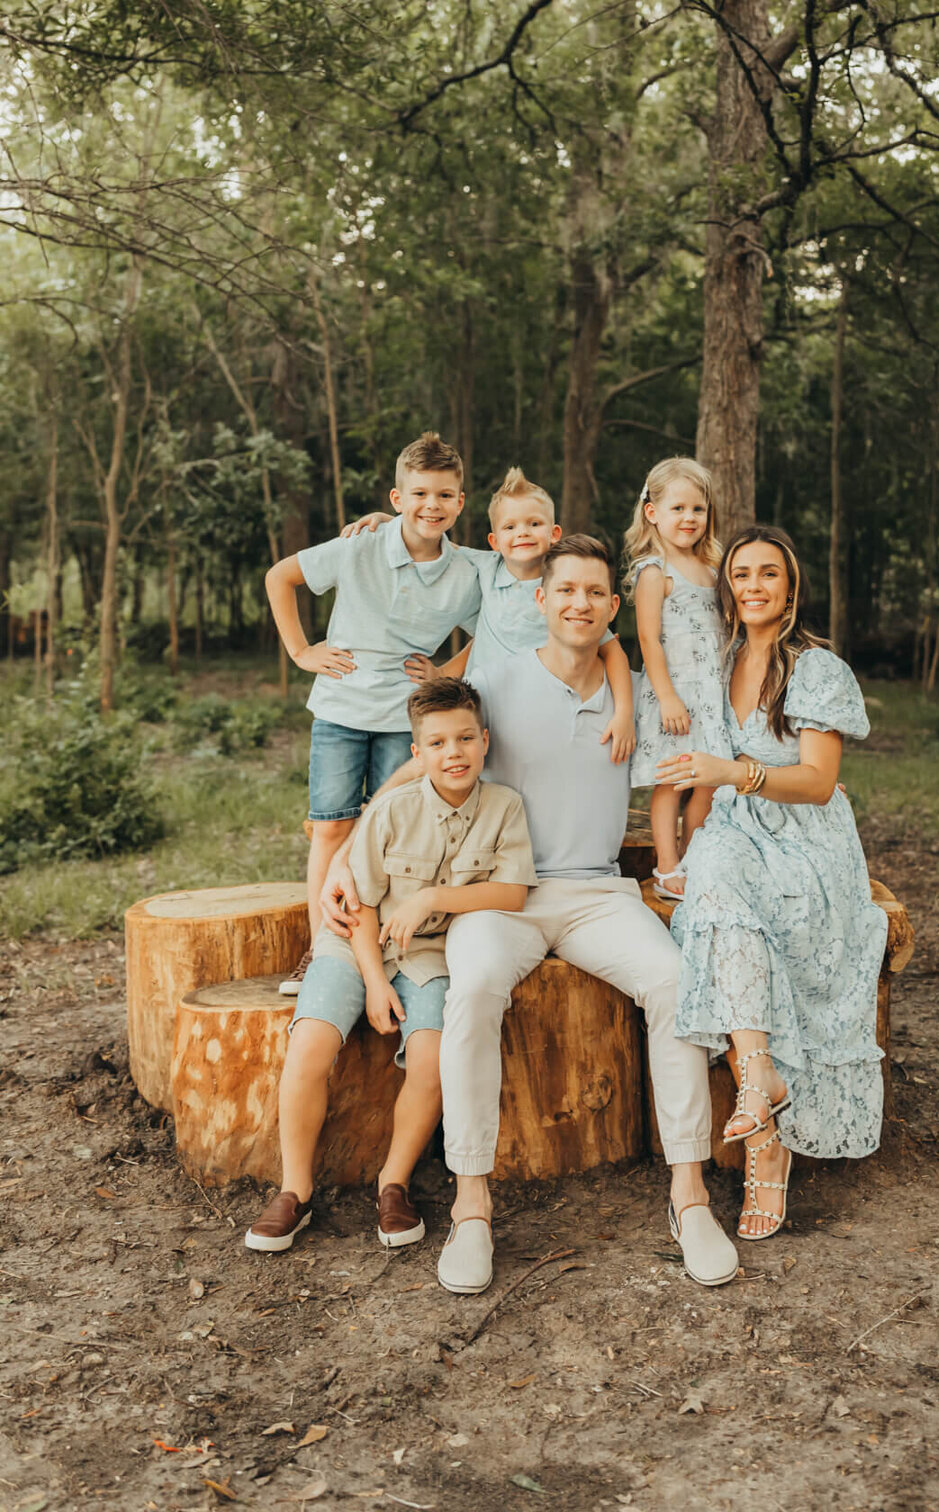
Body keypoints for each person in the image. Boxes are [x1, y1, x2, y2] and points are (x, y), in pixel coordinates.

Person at [322, 535, 739, 1294]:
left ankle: (690, 1194)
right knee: (472, 987)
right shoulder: (497, 681)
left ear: (613, 609)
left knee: (674, 982)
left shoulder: (640, 692)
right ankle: (472, 1206)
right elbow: (428, 758)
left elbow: (695, 775)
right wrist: (350, 851)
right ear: (541, 601)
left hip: (598, 892)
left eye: (595, 594)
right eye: (565, 590)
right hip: (497, 892)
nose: (579, 603)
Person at [244, 678, 538, 1254]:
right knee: (309, 1044)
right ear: (417, 753)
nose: (452, 753)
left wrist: (433, 900)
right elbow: (360, 908)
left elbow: (512, 894)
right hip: (355, 945)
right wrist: (375, 983)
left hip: (429, 952)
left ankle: (393, 1182)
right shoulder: (391, 811)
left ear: (484, 741)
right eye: (436, 743)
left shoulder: (505, 808)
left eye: (463, 739)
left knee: (431, 1056)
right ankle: (294, 1189)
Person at [656, 525, 888, 1243]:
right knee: (716, 901)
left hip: (806, 842)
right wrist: (682, 846)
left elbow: (819, 784)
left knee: (745, 919)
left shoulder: (816, 669)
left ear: (790, 588)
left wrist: (736, 775)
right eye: (742, 574)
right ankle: (762, 1097)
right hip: (734, 830)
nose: (753, 586)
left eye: (768, 575)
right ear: (728, 587)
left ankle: (766, 1133)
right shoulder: (721, 659)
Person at [265, 431, 481, 993]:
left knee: (394, 827)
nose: (430, 505)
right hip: (340, 706)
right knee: (333, 826)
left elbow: (500, 622)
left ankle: (386, 947)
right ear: (396, 497)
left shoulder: (472, 570)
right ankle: (322, 950)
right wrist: (301, 651)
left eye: (443, 495)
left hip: (404, 716)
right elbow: (279, 577)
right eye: (419, 494)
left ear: (460, 502)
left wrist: (448, 671)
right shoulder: (360, 546)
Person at [348, 466, 636, 761]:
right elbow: (429, 540)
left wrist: (624, 713)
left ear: (554, 534)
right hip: (479, 710)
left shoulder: (564, 590)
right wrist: (392, 523)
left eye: (534, 524)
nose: (522, 532)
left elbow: (613, 651)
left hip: (539, 712)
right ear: (494, 541)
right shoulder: (485, 567)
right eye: (510, 527)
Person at [625, 458, 729, 899]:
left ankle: (694, 858)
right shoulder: (655, 570)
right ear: (653, 513)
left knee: (709, 782)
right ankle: (667, 868)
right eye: (678, 509)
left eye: (698, 510)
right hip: (676, 695)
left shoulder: (714, 566)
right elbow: (648, 640)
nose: (689, 518)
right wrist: (667, 697)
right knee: (672, 783)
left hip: (713, 694)